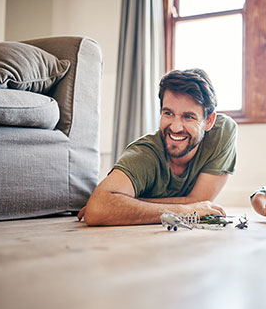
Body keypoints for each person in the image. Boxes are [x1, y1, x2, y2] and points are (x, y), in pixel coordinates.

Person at [79, 68, 237, 226]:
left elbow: (200, 200)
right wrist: (184, 210)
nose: (175, 128)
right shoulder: (144, 154)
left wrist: (126, 202)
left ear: (209, 121)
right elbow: (97, 210)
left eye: (188, 117)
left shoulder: (222, 132)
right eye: (168, 113)